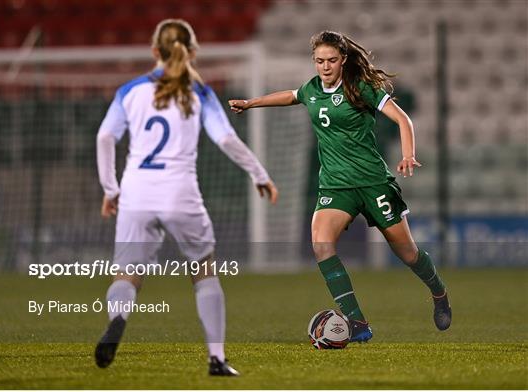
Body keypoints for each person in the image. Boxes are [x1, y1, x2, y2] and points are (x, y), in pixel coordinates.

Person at [229, 30, 451, 343]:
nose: (325, 66)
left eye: (331, 60)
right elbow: (291, 96)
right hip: (336, 185)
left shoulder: (361, 87)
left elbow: (402, 119)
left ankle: (439, 292)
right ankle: (358, 323)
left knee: (407, 253)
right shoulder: (312, 89)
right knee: (321, 244)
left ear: (343, 59)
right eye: (319, 60)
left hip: (373, 182)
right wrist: (252, 103)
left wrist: (408, 154)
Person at [95, 19, 277, 376]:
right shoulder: (200, 93)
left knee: (126, 275)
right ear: (193, 52)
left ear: (154, 51)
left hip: (136, 191)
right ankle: (217, 358)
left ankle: (118, 319)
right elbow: (226, 139)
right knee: (204, 272)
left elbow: (104, 138)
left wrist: (110, 189)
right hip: (180, 192)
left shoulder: (129, 91)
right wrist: (260, 174)